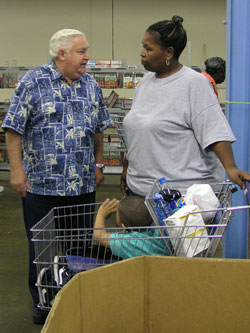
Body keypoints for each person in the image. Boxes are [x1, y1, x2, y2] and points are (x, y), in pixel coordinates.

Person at [1, 29, 112, 324]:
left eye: (87, 51)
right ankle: (44, 302)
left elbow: (99, 128)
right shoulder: (32, 82)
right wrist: (16, 170)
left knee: (81, 246)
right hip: (42, 186)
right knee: (43, 249)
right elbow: (13, 130)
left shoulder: (90, 84)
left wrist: (99, 165)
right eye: (81, 51)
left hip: (83, 184)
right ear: (61, 54)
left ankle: (77, 297)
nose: (87, 57)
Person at [120, 15, 250, 198]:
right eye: (143, 47)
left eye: (148, 49)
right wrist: (128, 169)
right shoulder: (146, 82)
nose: (142, 53)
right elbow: (138, 129)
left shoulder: (194, 84)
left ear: (169, 52)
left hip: (181, 197)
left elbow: (215, 131)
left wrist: (231, 167)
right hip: (142, 191)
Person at [93, 196, 171, 259]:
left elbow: (98, 236)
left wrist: (101, 214)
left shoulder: (127, 242)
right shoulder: (159, 232)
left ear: (123, 226)